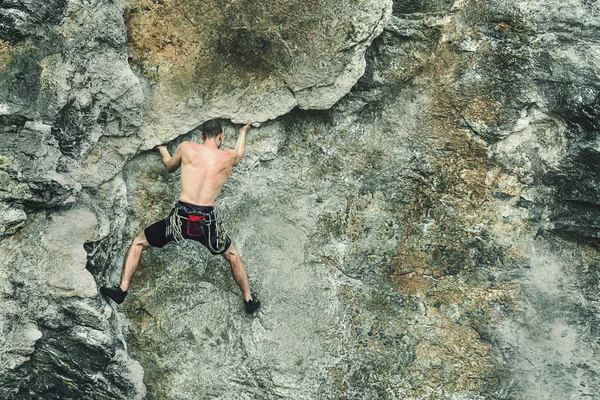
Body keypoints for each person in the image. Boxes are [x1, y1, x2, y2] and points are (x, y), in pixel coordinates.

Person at [101, 119, 261, 314]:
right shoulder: (228, 157)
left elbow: (169, 166)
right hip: (206, 221)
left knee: (138, 243)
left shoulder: (187, 148)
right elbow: (239, 153)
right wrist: (243, 131)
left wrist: (162, 148)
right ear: (221, 137)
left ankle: (122, 289)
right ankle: (249, 299)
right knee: (233, 256)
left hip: (181, 219)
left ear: (201, 136)